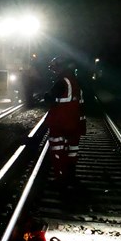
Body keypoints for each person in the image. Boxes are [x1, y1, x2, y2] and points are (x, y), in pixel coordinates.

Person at [44, 56, 84, 188]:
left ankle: (61, 179)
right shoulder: (75, 82)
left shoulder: (62, 81)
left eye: (55, 68)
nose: (54, 71)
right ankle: (71, 177)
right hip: (74, 124)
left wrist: (47, 97)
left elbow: (50, 97)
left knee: (57, 150)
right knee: (72, 151)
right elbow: (81, 105)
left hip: (60, 123)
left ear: (59, 67)